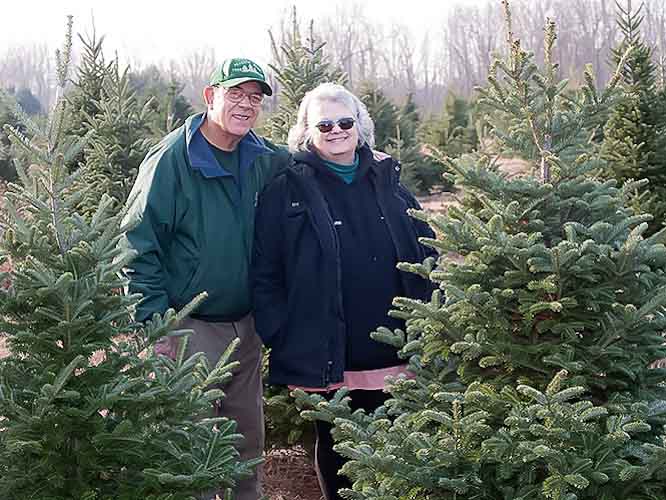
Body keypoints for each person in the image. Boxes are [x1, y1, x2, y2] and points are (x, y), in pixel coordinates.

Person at [252, 83, 437, 500]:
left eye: (344, 121)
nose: (336, 130)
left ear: (359, 126)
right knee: (337, 442)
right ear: (307, 132)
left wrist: (429, 318)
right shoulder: (287, 189)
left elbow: (427, 252)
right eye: (324, 124)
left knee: (393, 440)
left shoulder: (390, 181)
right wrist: (281, 334)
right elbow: (264, 271)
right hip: (326, 347)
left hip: (393, 344)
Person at [121, 57, 289, 500]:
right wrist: (154, 326)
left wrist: (363, 152)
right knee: (190, 446)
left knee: (245, 443)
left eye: (254, 98)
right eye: (236, 94)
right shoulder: (173, 159)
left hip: (245, 327)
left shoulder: (262, 158)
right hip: (187, 327)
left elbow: (313, 167)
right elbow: (137, 246)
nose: (246, 105)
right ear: (211, 96)